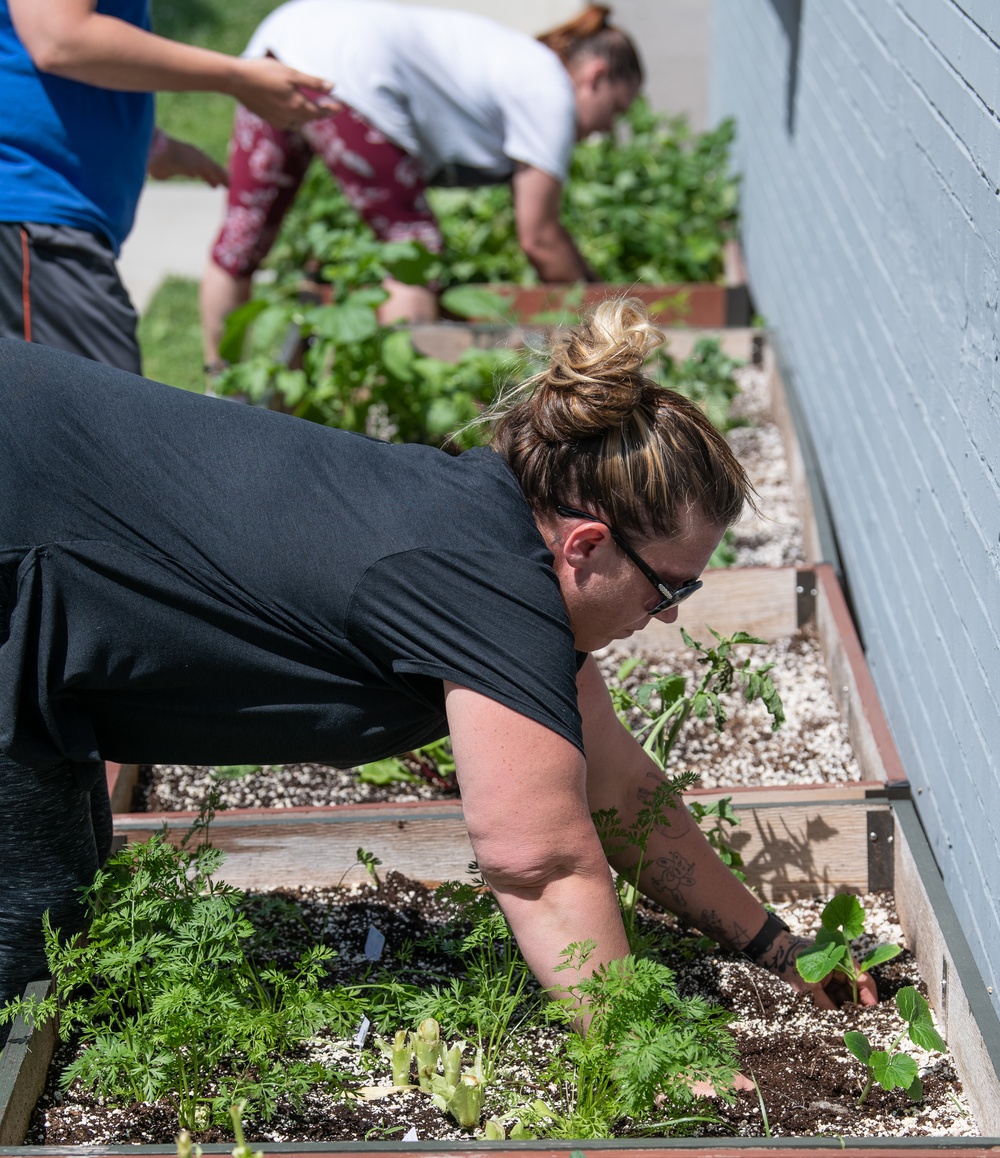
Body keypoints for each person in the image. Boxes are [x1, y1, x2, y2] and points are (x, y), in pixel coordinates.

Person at [0, 300, 875, 1050]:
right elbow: (537, 861)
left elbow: (617, 791)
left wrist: (775, 945)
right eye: (670, 585)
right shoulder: (487, 592)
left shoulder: (491, 533)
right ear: (587, 546)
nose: (674, 612)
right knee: (30, 973)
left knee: (69, 926)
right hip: (16, 524)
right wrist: (648, 1054)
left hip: (42, 498)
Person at [199, 1, 642, 369]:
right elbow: (540, 239)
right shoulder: (552, 92)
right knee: (413, 251)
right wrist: (602, 324)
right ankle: (402, 427)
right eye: (616, 110)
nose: (606, 129)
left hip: (278, 44)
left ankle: (220, 396)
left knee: (240, 243)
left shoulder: (522, 61)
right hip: (348, 68)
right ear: (596, 76)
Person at [0, 0, 337, 375]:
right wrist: (234, 77)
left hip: (37, 209)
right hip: (28, 207)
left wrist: (151, 144)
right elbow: (57, 37)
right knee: (110, 422)